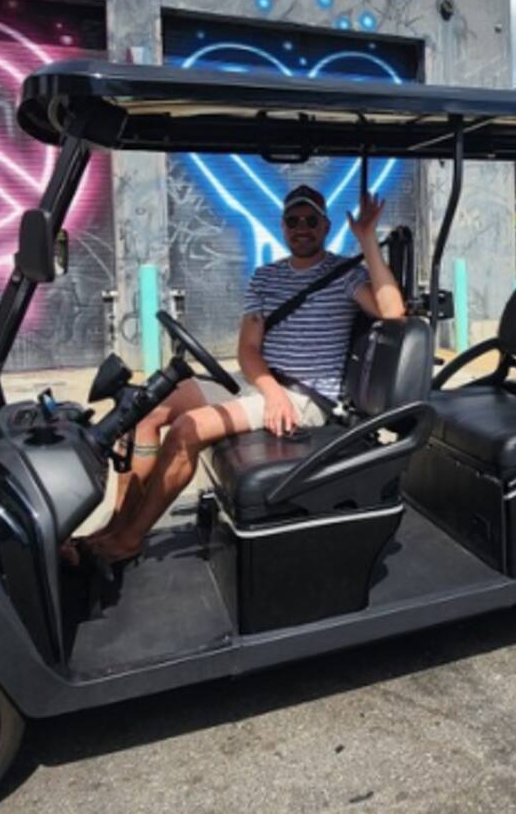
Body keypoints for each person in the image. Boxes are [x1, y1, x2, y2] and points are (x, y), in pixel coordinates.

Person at [82, 183, 405, 564]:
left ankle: (130, 538)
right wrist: (270, 391)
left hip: (305, 397)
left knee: (188, 429)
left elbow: (393, 312)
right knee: (144, 410)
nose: (302, 228)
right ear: (283, 226)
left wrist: (366, 238)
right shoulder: (265, 277)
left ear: (325, 226)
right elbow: (248, 349)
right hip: (262, 385)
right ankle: (117, 524)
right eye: (293, 221)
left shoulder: (344, 275)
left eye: (311, 221)